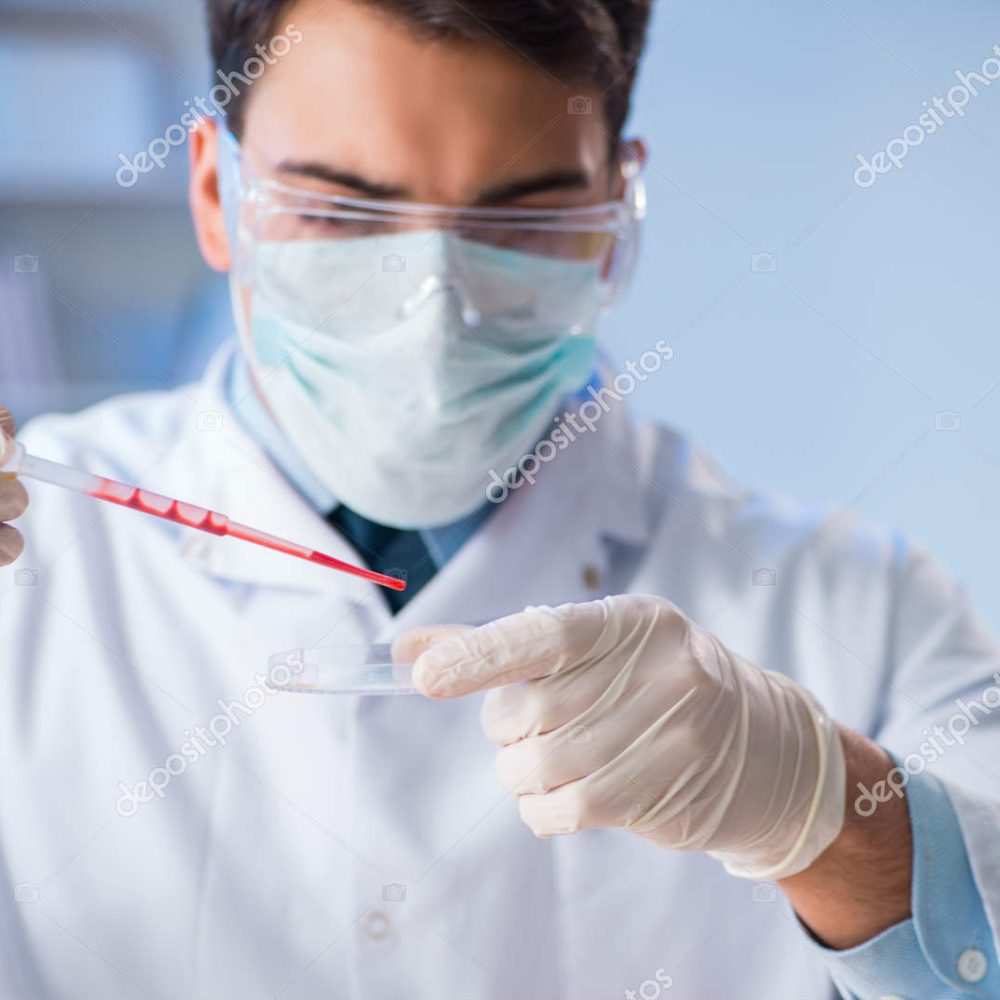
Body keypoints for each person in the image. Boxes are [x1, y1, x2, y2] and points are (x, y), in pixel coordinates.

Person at [0, 1, 997, 997]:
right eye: (342, 212)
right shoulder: (25, 553)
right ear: (216, 191)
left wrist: (824, 813)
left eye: (522, 219)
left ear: (617, 215)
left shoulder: (863, 607)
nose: (431, 306)